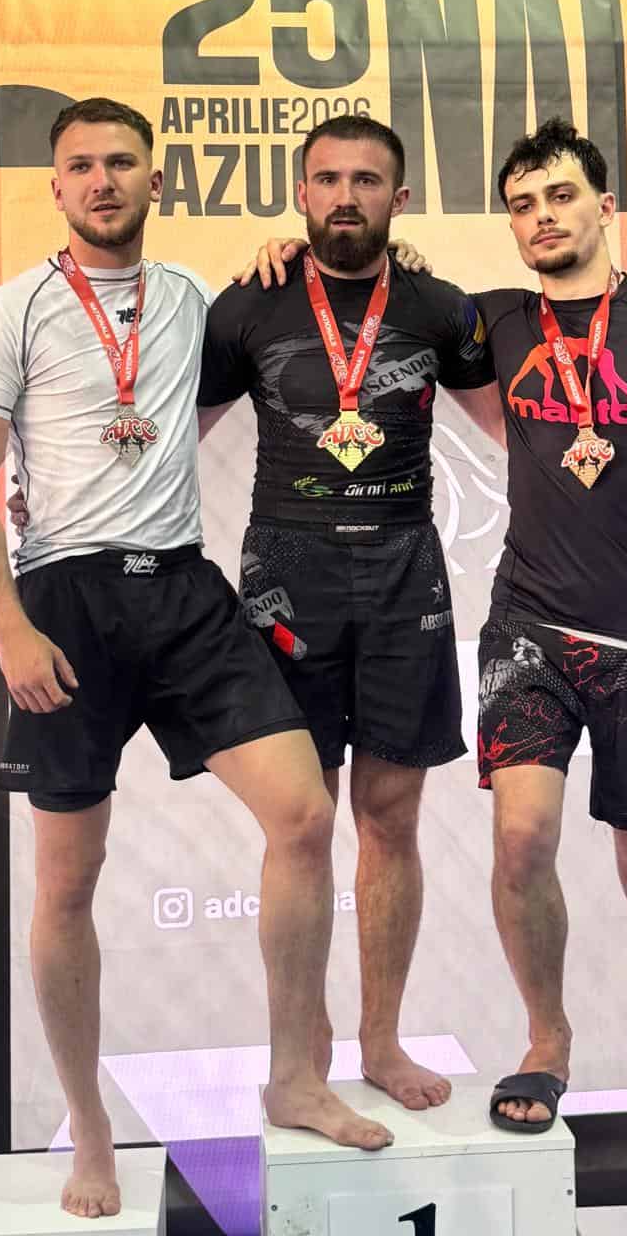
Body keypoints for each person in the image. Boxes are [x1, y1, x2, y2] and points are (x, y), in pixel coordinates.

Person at [251, 116, 627, 1236]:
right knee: (521, 839)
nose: (542, 217)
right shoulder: (484, 319)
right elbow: (366, 282)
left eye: (561, 196)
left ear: (604, 205)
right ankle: (549, 1038)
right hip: (526, 628)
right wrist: (290, 250)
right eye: (523, 203)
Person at [0, 97, 392, 1222]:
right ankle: (89, 1128)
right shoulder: (9, 311)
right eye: (81, 165)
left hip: (184, 590)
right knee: (67, 880)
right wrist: (10, 628)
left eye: (122, 162)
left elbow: (327, 290)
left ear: (156, 178)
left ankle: (295, 1078)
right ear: (56, 186)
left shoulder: (197, 300)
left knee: (304, 813)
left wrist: (338, 252)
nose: (102, 180)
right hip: (63, 603)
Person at [198, 113, 500, 1110]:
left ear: (398, 199)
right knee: (300, 822)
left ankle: (380, 1038)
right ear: (301, 193)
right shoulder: (250, 303)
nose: (344, 196)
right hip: (287, 574)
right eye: (326, 178)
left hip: (405, 573)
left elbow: (520, 433)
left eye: (366, 180)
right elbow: (169, 441)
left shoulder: (440, 308)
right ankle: (299, 1048)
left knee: (390, 816)